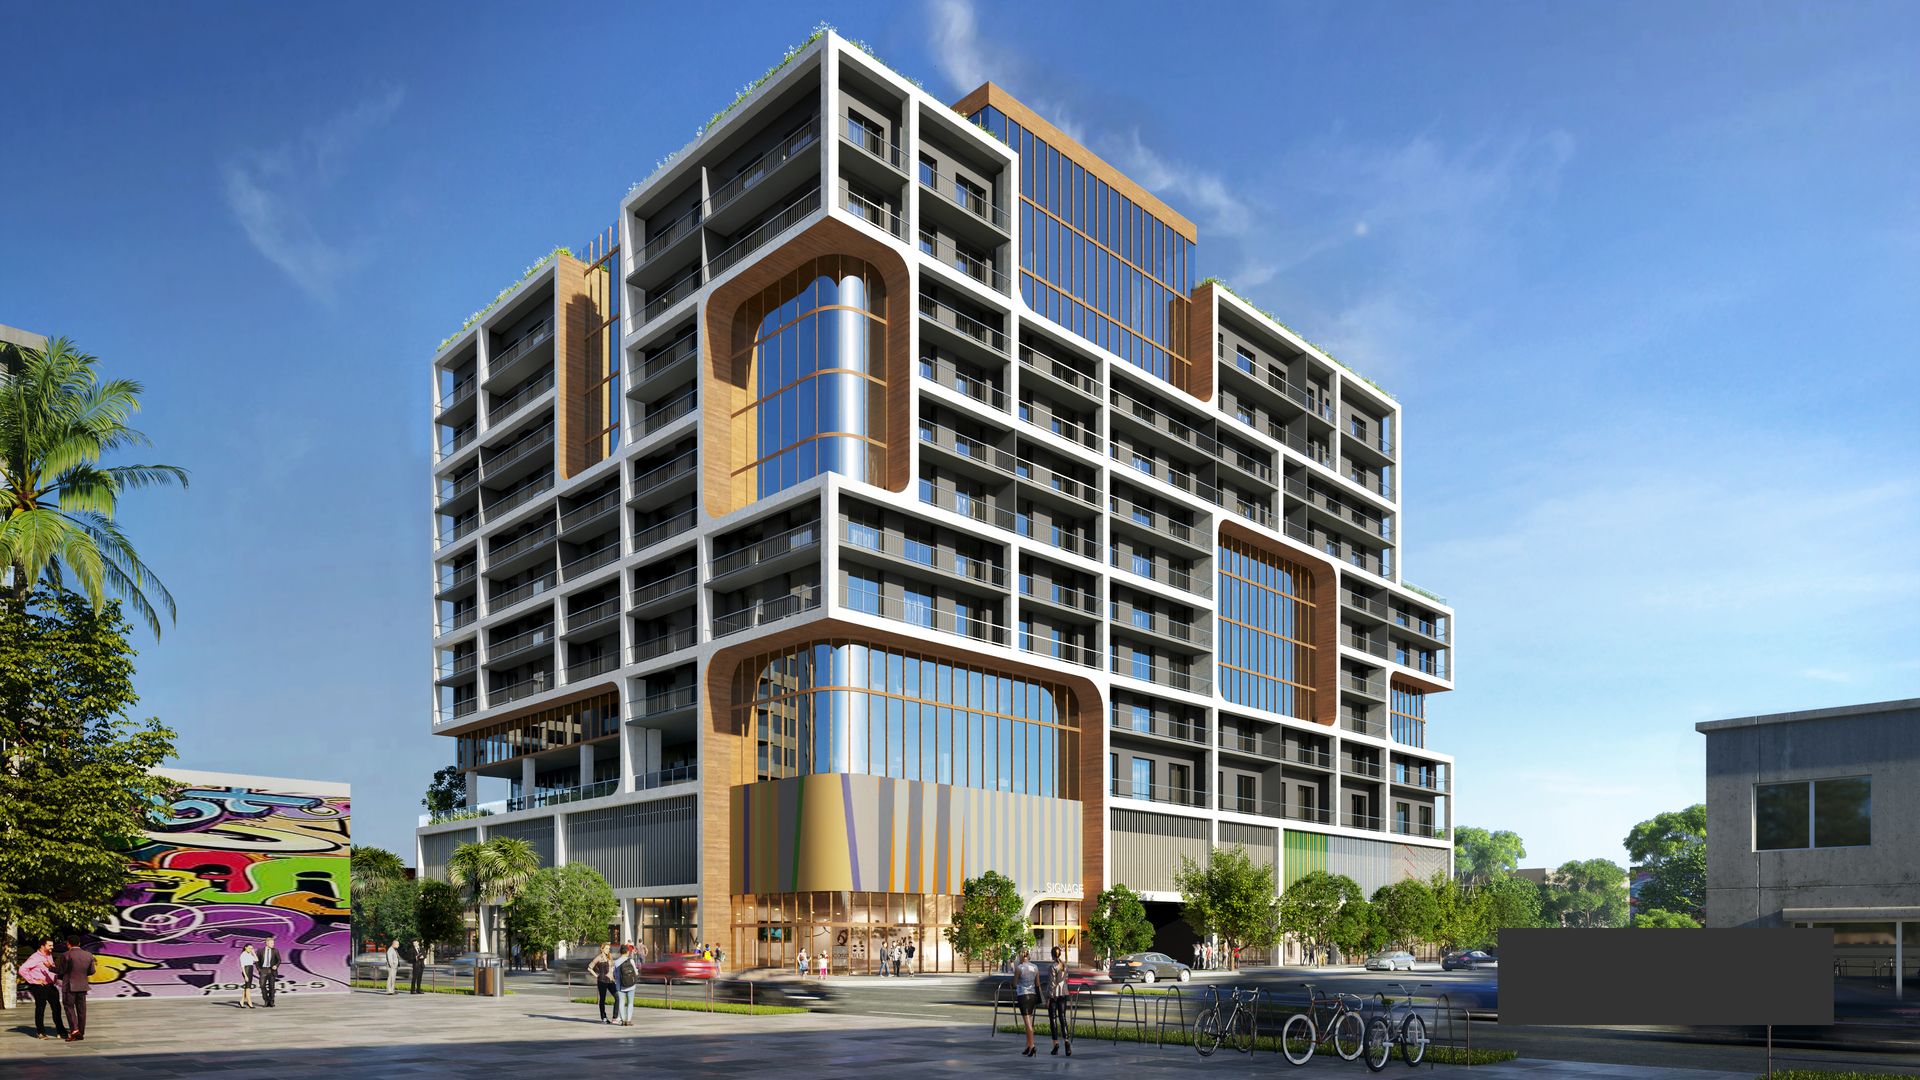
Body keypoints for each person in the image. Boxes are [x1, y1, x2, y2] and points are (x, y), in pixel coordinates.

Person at [17, 939, 68, 1039]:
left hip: (50, 986)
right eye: (49, 945)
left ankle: (60, 1031)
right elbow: (22, 970)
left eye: (52, 945)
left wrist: (55, 978)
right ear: (42, 946)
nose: (52, 947)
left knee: (57, 1008)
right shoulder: (35, 957)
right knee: (40, 1008)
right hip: (39, 986)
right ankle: (40, 1032)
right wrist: (34, 980)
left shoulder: (49, 955)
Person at [58, 935, 95, 1041]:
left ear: (68, 944)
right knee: (82, 1010)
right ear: (79, 943)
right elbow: (92, 971)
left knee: (69, 1007)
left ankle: (75, 1031)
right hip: (83, 986)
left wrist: (50, 968)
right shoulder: (88, 955)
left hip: (69, 986)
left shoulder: (65, 955)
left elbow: (61, 971)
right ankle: (81, 1032)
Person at [1045, 946, 1073, 1057]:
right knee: (1063, 1017)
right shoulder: (1064, 965)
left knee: (1053, 1019)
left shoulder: (1052, 966)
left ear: (1052, 955)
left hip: (1054, 995)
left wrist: (1048, 998)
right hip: (1063, 993)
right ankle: (1067, 1042)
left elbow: (1052, 984)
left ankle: (1055, 1044)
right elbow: (1066, 979)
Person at [1013, 947, 1040, 1057]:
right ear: (1028, 955)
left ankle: (1032, 1045)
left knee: (1027, 1023)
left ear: (1020, 955)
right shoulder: (1035, 967)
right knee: (1029, 1021)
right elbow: (1037, 983)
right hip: (1033, 995)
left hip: (1023, 995)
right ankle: (1027, 1046)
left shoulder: (1019, 968)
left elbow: (1014, 983)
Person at [588, 943, 616, 1024]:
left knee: (617, 996)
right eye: (606, 948)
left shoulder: (610, 957)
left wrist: (614, 978)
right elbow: (589, 968)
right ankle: (603, 1017)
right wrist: (596, 975)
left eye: (609, 948)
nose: (608, 950)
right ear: (602, 949)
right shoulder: (599, 957)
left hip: (610, 981)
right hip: (602, 981)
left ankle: (615, 1017)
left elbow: (612, 969)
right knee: (602, 999)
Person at [613, 944, 639, 1026]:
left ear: (620, 952)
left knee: (621, 1002)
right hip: (631, 985)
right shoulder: (631, 961)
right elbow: (636, 972)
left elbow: (615, 974)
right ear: (627, 952)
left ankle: (623, 1020)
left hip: (620, 986)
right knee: (630, 1003)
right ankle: (629, 1020)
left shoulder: (616, 962)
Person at [257, 935, 281, 1008]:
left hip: (271, 971)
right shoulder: (260, 950)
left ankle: (271, 1001)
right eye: (271, 943)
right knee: (262, 986)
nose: (273, 944)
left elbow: (279, 960)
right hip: (263, 970)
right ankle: (266, 1000)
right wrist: (259, 969)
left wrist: (276, 966)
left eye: (273, 943)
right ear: (267, 943)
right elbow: (257, 961)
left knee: (271, 987)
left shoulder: (275, 950)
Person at [239, 943, 259, 1009]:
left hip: (250, 969)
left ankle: (242, 1001)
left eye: (252, 948)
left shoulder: (250, 954)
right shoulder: (243, 955)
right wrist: (245, 975)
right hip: (246, 970)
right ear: (245, 947)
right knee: (248, 988)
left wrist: (253, 952)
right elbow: (242, 966)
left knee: (247, 987)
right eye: (250, 948)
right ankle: (249, 1002)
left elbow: (256, 960)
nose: (251, 949)